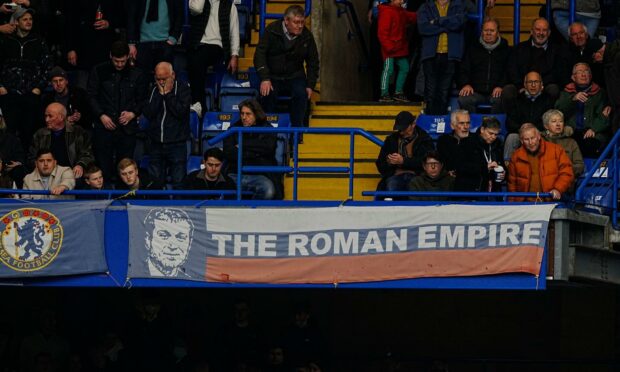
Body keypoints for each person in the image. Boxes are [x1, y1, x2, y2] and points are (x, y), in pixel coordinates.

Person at [88, 40, 148, 182]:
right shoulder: (98, 70)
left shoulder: (137, 74)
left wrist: (133, 113)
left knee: (126, 169)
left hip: (127, 129)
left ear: (128, 56)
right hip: (104, 127)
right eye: (116, 61)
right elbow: (90, 96)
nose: (120, 64)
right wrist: (101, 115)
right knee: (103, 168)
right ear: (110, 56)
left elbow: (143, 99)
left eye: (122, 61)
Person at [254, 5, 319, 128]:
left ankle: (297, 132)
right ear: (286, 21)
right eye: (296, 22)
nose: (300, 26)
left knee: (301, 94)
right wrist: (265, 78)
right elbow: (259, 55)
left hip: (295, 75)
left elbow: (313, 62)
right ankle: (266, 131)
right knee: (267, 94)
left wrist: (310, 85)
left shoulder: (307, 36)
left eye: (302, 22)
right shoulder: (272, 30)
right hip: (273, 75)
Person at [0, 7, 51, 153]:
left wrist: (38, 88)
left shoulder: (39, 41)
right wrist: (1, 87)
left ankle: (27, 167)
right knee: (8, 133)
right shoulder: (5, 41)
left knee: (29, 133)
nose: (29, 22)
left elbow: (47, 67)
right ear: (16, 22)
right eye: (25, 19)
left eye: (30, 19)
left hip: (31, 95)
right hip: (8, 94)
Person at [142, 62, 191, 189]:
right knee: (155, 182)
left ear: (173, 75)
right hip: (156, 143)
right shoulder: (153, 90)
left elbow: (180, 112)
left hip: (177, 143)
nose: (162, 82)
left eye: (164, 78)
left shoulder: (183, 89)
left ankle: (180, 208)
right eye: (158, 79)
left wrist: (168, 94)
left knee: (179, 181)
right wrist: (160, 94)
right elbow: (148, 113)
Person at [503, 18, 569, 112]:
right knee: (508, 90)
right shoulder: (519, 48)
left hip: (545, 87)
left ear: (549, 33)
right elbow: (512, 70)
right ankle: (512, 124)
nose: (541, 33)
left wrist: (539, 86)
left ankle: (548, 123)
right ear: (531, 31)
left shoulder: (558, 50)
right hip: (522, 86)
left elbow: (558, 73)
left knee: (553, 89)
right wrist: (522, 86)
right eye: (538, 29)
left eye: (544, 30)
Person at [187, 0, 240, 115]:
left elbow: (234, 32)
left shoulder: (230, 6)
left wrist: (234, 55)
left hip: (218, 48)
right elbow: (196, 9)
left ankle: (198, 103)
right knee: (195, 57)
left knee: (198, 58)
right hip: (197, 45)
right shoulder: (199, 2)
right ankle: (200, 105)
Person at [417, 0, 466, 115]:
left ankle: (440, 122)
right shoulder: (425, 6)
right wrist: (446, 27)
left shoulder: (459, 5)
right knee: (430, 91)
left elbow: (459, 23)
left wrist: (438, 21)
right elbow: (423, 28)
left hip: (450, 55)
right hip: (430, 55)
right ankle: (430, 122)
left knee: (444, 92)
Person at [223, 99, 278, 200]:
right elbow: (228, 152)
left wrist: (242, 145)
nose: (244, 117)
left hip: (260, 175)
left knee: (268, 189)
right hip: (235, 174)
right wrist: (255, 152)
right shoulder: (233, 129)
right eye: (242, 114)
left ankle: (252, 214)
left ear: (256, 115)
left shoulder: (267, 129)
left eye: (248, 114)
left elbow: (268, 148)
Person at [555, 62, 611, 158]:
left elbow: (604, 116)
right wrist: (573, 99)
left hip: (592, 133)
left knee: (591, 145)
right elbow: (558, 111)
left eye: (586, 71)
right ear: (573, 77)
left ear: (591, 75)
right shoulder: (566, 92)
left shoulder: (600, 93)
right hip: (571, 132)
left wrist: (593, 129)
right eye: (580, 72)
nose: (583, 74)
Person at [65, 0, 124, 90]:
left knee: (105, 87)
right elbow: (71, 22)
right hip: (83, 49)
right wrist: (71, 49)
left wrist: (109, 23)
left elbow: (122, 16)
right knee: (82, 88)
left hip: (105, 49)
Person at [456, 17, 511, 113]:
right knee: (464, 99)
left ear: (498, 32)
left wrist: (501, 86)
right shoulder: (472, 48)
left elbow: (509, 71)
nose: (488, 33)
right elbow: (462, 69)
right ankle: (470, 127)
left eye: (492, 30)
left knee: (501, 100)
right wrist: (465, 84)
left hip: (496, 92)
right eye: (486, 30)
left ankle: (494, 127)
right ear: (482, 31)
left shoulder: (506, 50)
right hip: (475, 91)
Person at [508, 123, 574, 201]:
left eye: (533, 138)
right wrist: (513, 203)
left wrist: (558, 189)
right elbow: (512, 184)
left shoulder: (556, 150)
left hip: (550, 201)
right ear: (521, 141)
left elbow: (567, 173)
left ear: (539, 136)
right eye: (526, 139)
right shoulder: (516, 156)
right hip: (525, 205)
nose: (531, 142)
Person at [29, 102, 94, 179]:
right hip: (46, 174)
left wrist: (80, 165)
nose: (46, 120)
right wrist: (39, 166)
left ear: (61, 117)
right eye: (45, 116)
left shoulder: (78, 132)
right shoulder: (40, 134)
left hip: (72, 174)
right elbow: (31, 157)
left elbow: (87, 154)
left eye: (50, 116)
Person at [376, 111, 434, 193]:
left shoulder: (424, 139)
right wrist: (389, 162)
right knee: (392, 185)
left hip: (417, 176)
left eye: (404, 128)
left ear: (413, 124)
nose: (401, 132)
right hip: (396, 176)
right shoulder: (391, 140)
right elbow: (380, 164)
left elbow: (427, 162)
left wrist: (403, 161)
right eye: (399, 129)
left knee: (415, 185)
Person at [504, 71, 555, 161]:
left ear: (541, 84)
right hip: (520, 133)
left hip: (540, 133)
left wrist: (534, 132)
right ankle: (509, 168)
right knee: (511, 137)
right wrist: (523, 130)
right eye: (530, 82)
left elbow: (549, 122)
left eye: (536, 82)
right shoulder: (516, 100)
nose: (533, 85)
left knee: (549, 135)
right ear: (525, 84)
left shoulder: (548, 100)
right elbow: (510, 122)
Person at [126, 0, 184, 73]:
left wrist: (173, 39)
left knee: (164, 79)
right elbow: (131, 16)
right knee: (141, 79)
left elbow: (179, 15)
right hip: (142, 44)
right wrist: (131, 43)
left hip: (165, 43)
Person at [376, 0, 417, 102]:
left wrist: (424, 13)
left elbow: (412, 16)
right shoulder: (386, 12)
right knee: (388, 70)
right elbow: (382, 34)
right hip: (390, 48)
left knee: (405, 67)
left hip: (399, 47)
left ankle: (398, 92)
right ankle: (384, 94)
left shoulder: (401, 11)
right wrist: (389, 47)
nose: (402, 1)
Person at [455, 116, 505, 193]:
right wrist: (485, 167)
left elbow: (502, 165)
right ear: (482, 129)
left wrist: (503, 173)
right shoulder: (467, 143)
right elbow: (461, 167)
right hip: (471, 192)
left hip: (493, 192)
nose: (493, 137)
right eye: (490, 133)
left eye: (496, 134)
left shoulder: (498, 145)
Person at [143, 208, 194, 277]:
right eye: (163, 235)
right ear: (148, 240)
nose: (173, 246)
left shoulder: (188, 279)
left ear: (189, 244)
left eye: (181, 237)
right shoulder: (136, 272)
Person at [41, 66, 93, 132]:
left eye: (61, 80)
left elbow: (90, 115)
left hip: (77, 131)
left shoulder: (79, 94)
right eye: (55, 81)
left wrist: (80, 117)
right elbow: (43, 120)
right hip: (57, 131)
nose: (58, 84)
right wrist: (64, 121)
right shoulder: (48, 99)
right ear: (51, 83)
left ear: (66, 81)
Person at [541, 109, 584, 177]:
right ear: (546, 126)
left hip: (565, 179)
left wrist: (565, 170)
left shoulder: (571, 143)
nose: (558, 124)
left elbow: (579, 166)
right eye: (554, 121)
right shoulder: (540, 140)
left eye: (561, 121)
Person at [567, 22, 605, 87]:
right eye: (574, 34)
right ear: (571, 39)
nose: (579, 37)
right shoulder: (566, 51)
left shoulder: (596, 45)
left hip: (597, 86)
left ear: (586, 35)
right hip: (576, 87)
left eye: (581, 33)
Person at [436, 109, 470, 174]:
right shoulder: (443, 140)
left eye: (468, 123)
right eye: (462, 123)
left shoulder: (476, 140)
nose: (466, 127)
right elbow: (441, 163)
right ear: (452, 126)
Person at [0, 107, 26, 187]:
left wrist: (16, 163)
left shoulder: (11, 139)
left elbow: (20, 158)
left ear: (1, 119)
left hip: (7, 174)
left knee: (19, 170)